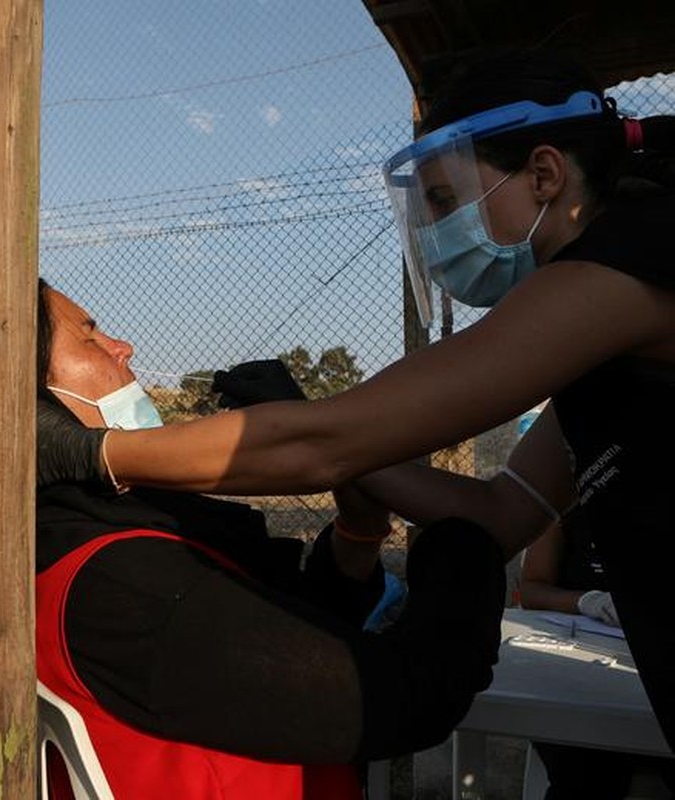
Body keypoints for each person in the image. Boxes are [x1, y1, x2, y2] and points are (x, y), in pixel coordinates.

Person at [37, 49, 675, 768]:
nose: (436, 230)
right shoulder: (603, 339)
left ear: (544, 175)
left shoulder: (620, 269)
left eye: (443, 201)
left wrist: (90, 454)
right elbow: (501, 514)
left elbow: (326, 447)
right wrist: (343, 449)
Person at [37, 280, 508, 798]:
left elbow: (305, 624)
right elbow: (408, 698)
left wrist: (357, 519)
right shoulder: (120, 583)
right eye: (89, 338)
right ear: (39, 403)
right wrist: (463, 543)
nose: (122, 347)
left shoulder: (91, 533)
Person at [519, 511, 673, 798]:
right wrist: (588, 601)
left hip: (655, 677)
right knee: (584, 774)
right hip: (577, 677)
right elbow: (530, 590)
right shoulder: (567, 498)